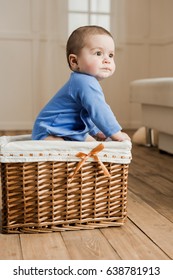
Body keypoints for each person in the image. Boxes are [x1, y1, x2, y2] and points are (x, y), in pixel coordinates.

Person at [32, 25, 130, 142]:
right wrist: (116, 133)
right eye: (98, 53)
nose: (107, 60)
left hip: (68, 130)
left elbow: (87, 113)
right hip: (50, 130)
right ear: (74, 61)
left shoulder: (85, 81)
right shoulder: (84, 81)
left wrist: (97, 131)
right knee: (62, 148)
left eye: (110, 55)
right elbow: (99, 110)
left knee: (93, 144)